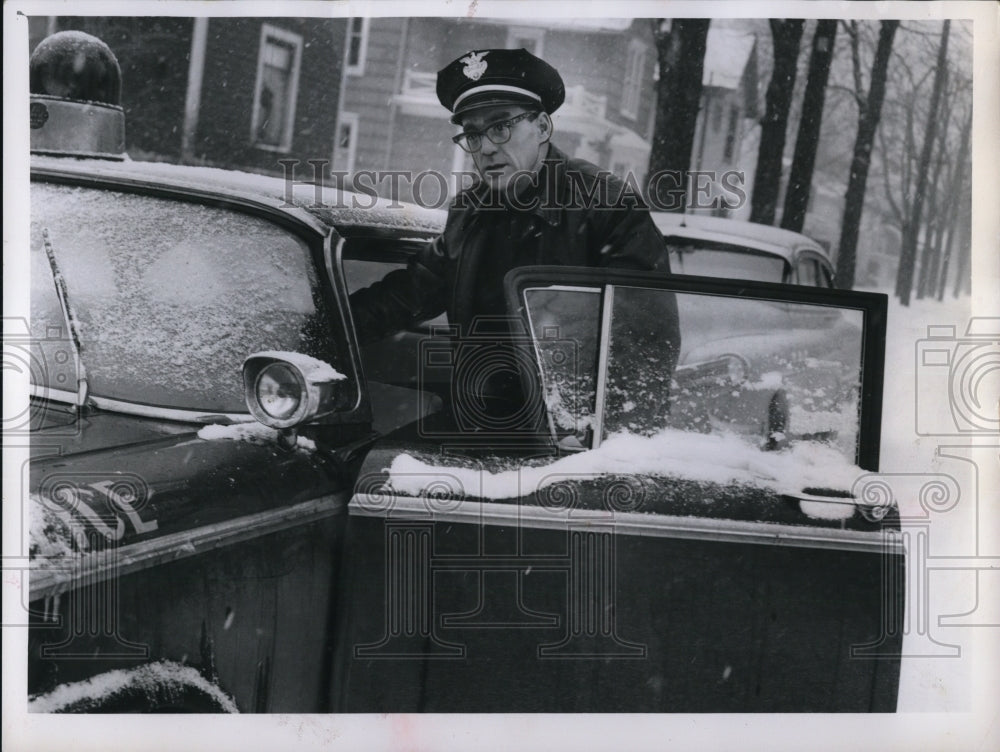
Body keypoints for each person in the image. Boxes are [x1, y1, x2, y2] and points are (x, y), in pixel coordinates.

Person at [350, 48, 677, 432]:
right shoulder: (470, 211)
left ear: (542, 127)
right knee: (369, 465)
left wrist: (600, 444)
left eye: (501, 126)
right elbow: (411, 292)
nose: (486, 147)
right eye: (472, 133)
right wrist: (321, 326)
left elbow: (645, 345)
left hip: (571, 434)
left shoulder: (607, 206)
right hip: (482, 420)